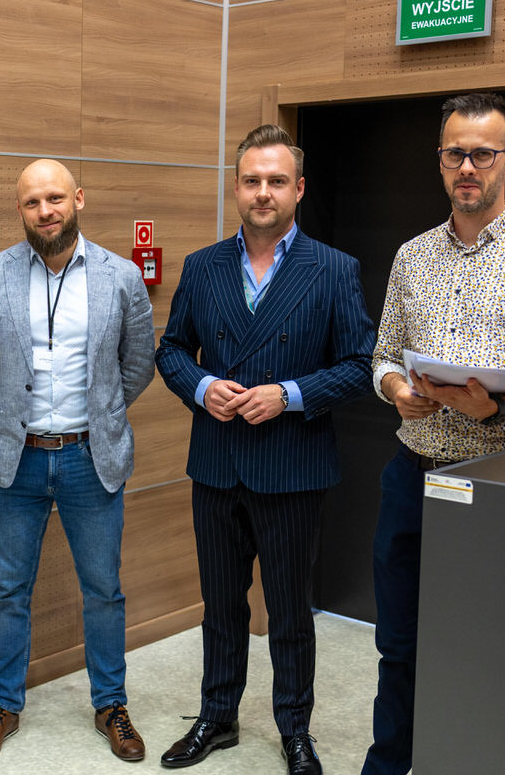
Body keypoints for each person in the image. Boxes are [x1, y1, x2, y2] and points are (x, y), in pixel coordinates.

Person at [361, 92, 505, 775]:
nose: (467, 167)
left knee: (495, 648)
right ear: (440, 161)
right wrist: (399, 390)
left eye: (482, 154)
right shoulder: (412, 256)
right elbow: (383, 356)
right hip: (412, 476)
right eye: (454, 153)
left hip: (504, 484)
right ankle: (389, 763)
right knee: (399, 643)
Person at [155, 125, 375, 775]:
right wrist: (201, 387)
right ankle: (217, 717)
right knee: (221, 606)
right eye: (251, 180)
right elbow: (172, 350)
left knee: (288, 611)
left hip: (292, 467)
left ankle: (295, 729)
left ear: (298, 189)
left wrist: (290, 394)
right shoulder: (203, 266)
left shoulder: (333, 269)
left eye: (276, 181)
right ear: (236, 187)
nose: (263, 192)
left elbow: (360, 365)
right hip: (217, 464)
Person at [0, 159, 156, 764]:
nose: (45, 211)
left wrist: (101, 413)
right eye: (32, 202)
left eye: (55, 198)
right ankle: (3, 704)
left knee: (104, 590)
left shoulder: (121, 277)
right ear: (20, 209)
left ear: (78, 200)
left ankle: (111, 704)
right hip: (14, 462)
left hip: (92, 458)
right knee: (7, 591)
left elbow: (137, 364)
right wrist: (14, 416)